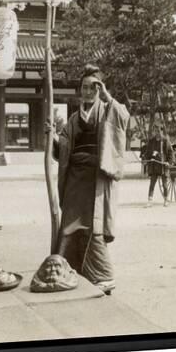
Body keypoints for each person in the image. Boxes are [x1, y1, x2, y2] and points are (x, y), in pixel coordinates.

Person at [46, 65, 129, 295]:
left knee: (94, 227)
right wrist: (52, 137)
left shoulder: (108, 109)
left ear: (100, 89)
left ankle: (105, 276)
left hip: (95, 178)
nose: (88, 92)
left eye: (93, 88)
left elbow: (124, 118)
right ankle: (67, 268)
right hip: (75, 178)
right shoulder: (74, 118)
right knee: (69, 226)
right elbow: (63, 148)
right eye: (84, 87)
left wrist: (108, 96)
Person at [143, 124, 174, 208]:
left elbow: (171, 153)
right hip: (154, 165)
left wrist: (169, 162)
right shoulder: (151, 141)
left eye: (158, 131)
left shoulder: (165, 140)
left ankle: (166, 200)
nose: (157, 133)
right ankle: (150, 201)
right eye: (155, 131)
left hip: (163, 165)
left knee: (164, 184)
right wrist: (146, 159)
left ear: (162, 131)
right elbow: (147, 152)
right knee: (152, 183)